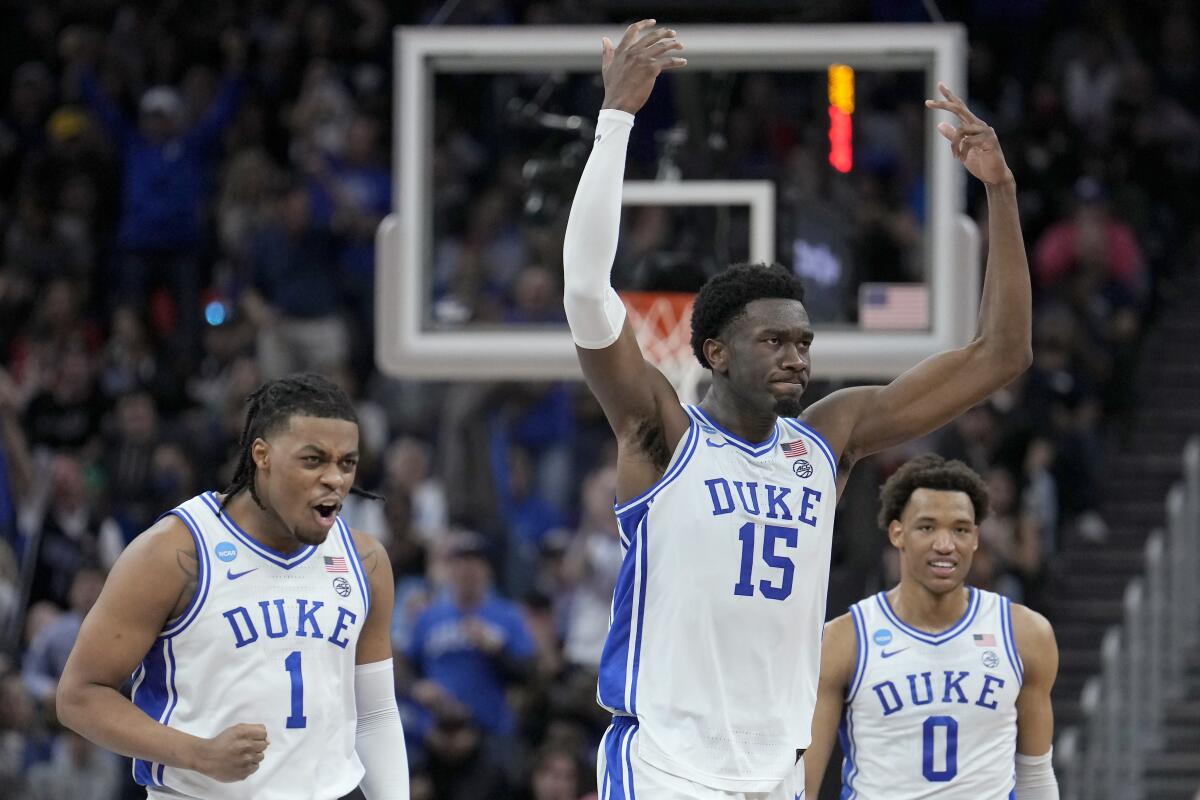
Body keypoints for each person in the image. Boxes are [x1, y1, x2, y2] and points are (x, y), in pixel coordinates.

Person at [562, 20, 1032, 799]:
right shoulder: (663, 432)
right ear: (713, 351)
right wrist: (617, 120)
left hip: (778, 769)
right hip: (666, 765)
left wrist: (1001, 193)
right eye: (774, 340)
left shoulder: (828, 440)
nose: (798, 357)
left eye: (804, 341)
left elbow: (1000, 356)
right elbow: (584, 290)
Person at [55, 374, 410, 799]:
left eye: (346, 463)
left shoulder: (365, 561)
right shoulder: (176, 551)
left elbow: (375, 714)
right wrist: (197, 753)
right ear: (262, 455)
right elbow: (79, 695)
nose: (335, 478)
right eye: (313, 460)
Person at [803, 455, 1059, 799]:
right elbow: (801, 785)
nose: (945, 544)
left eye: (960, 529)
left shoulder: (1025, 634)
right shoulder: (845, 639)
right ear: (897, 533)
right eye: (927, 527)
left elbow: (1037, 780)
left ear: (976, 538)